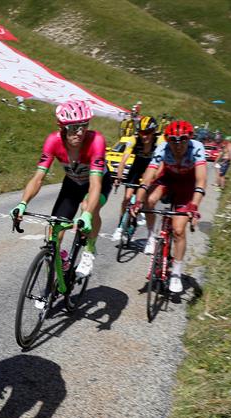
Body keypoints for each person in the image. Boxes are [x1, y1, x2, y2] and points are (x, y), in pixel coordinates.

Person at [12, 99, 111, 278]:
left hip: (98, 182)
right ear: (63, 128)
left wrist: (87, 214)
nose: (80, 132)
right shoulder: (53, 142)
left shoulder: (96, 141)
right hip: (72, 183)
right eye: (74, 128)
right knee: (54, 233)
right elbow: (38, 178)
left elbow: (95, 184)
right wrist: (23, 204)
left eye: (84, 126)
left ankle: (89, 250)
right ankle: (55, 278)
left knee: (89, 205)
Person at [131, 120, 206, 293]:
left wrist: (194, 206)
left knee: (178, 230)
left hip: (187, 185)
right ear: (167, 139)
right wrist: (137, 200)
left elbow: (201, 180)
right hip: (168, 180)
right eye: (173, 140)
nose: (178, 144)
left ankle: (176, 273)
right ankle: (151, 235)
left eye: (183, 139)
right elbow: (149, 176)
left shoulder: (197, 148)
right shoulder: (162, 148)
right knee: (149, 200)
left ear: (190, 138)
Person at [111, 115, 160, 240]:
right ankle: (120, 226)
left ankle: (141, 210)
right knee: (127, 197)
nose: (144, 136)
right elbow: (123, 161)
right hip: (136, 168)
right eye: (142, 133)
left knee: (144, 194)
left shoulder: (159, 142)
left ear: (154, 132)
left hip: (151, 169)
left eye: (148, 133)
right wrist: (119, 177)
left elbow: (161, 164)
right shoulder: (134, 140)